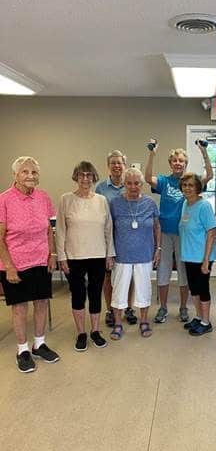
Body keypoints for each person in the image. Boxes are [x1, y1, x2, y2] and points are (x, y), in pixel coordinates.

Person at [0, 156, 60, 373]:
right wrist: (9, 266)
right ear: (15, 175)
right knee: (20, 307)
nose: (30, 176)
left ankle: (39, 343)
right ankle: (22, 349)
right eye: (25, 172)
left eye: (34, 172)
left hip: (40, 260)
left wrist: (52, 254)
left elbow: (48, 230)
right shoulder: (4, 199)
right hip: (16, 263)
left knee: (42, 302)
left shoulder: (43, 197)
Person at [145, 140, 213, 324]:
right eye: (174, 160)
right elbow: (147, 177)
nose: (177, 163)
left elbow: (209, 175)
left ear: (185, 164)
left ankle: (184, 307)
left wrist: (204, 152)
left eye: (181, 160)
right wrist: (152, 153)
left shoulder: (190, 181)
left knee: (184, 272)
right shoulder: (164, 181)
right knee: (163, 271)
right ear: (170, 163)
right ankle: (163, 307)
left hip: (185, 236)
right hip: (166, 233)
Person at [56, 161, 115, 351]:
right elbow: (61, 230)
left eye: (89, 175)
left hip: (98, 254)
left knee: (96, 294)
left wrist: (109, 254)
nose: (85, 179)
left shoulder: (101, 200)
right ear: (76, 177)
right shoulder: (66, 199)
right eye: (81, 175)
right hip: (74, 255)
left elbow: (108, 229)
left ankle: (95, 331)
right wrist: (61, 257)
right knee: (78, 295)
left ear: (94, 177)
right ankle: (81, 333)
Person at [110, 168, 161, 339]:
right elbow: (109, 229)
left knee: (144, 290)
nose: (133, 187)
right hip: (121, 255)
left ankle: (144, 321)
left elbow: (157, 227)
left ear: (142, 184)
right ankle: (117, 324)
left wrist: (158, 249)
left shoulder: (150, 203)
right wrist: (109, 253)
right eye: (129, 183)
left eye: (137, 183)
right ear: (124, 184)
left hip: (144, 255)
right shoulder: (115, 203)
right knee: (119, 291)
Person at [96, 150, 137, 327]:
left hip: (127, 238)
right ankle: (111, 309)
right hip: (107, 237)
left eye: (119, 162)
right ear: (108, 166)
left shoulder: (130, 184)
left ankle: (128, 308)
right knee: (107, 276)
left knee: (129, 275)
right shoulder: (100, 188)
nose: (116, 166)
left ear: (124, 165)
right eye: (113, 163)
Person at [179, 173, 216, 336]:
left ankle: (206, 322)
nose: (187, 188)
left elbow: (211, 233)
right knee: (193, 289)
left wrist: (206, 261)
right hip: (189, 255)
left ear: (198, 188)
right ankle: (199, 316)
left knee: (202, 289)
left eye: (191, 185)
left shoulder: (204, 206)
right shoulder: (185, 204)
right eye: (185, 185)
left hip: (202, 257)